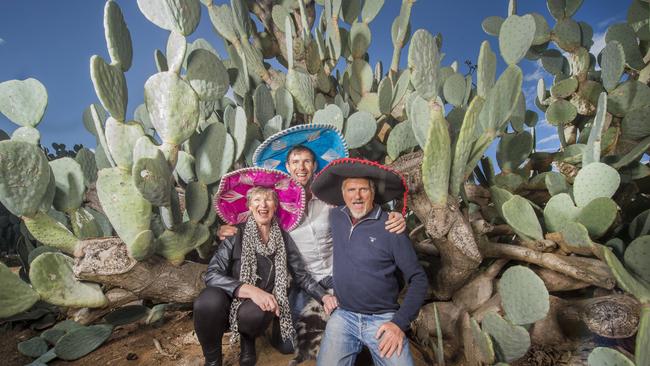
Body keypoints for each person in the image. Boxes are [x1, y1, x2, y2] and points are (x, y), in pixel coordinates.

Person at [219, 125, 406, 326]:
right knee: (286, 343)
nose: (301, 167)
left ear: (315, 166)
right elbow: (254, 224)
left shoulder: (331, 200)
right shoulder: (277, 210)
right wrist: (223, 231)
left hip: (343, 274)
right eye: (295, 162)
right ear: (287, 167)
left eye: (307, 161)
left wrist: (393, 216)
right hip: (306, 282)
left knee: (351, 318)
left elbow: (363, 207)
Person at [194, 168, 337, 366]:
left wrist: (324, 295)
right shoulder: (236, 234)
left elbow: (301, 275)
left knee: (256, 311)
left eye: (268, 200)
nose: (263, 205)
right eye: (257, 200)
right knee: (206, 302)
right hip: (228, 294)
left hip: (257, 304)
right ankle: (212, 360)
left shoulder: (284, 239)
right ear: (249, 206)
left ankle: (248, 343)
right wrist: (249, 290)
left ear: (275, 205)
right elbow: (212, 274)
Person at [311, 158, 428, 366]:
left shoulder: (391, 228)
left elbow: (419, 279)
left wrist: (399, 324)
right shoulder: (336, 216)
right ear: (342, 195)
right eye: (351, 190)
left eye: (363, 189)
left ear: (373, 193)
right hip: (344, 315)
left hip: (382, 320)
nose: (357, 196)